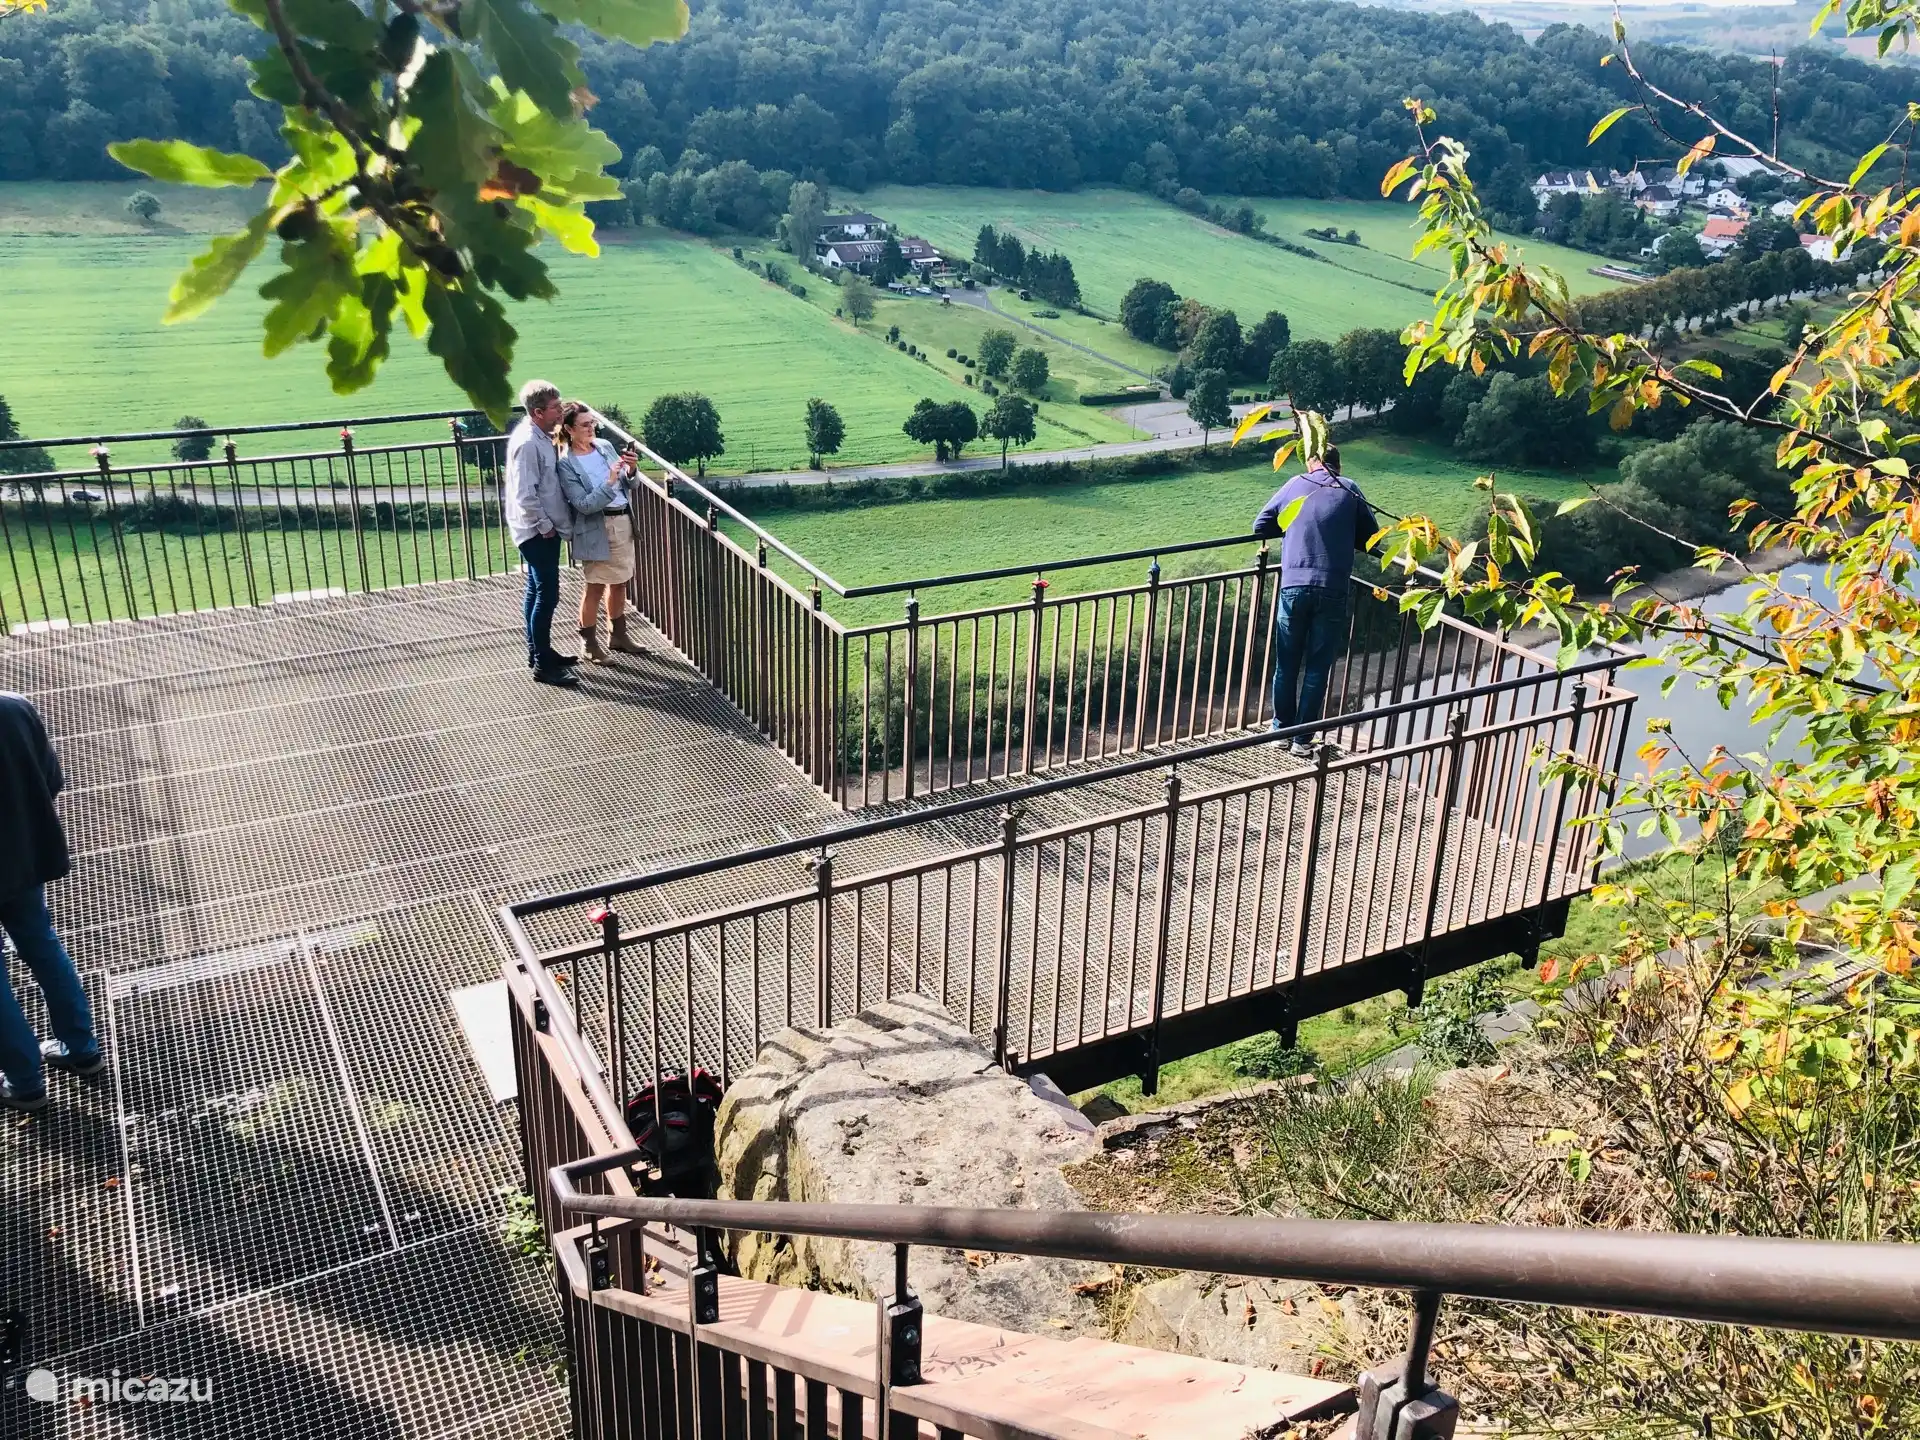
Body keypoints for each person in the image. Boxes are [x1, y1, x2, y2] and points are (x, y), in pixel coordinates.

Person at [0, 692, 103, 1112]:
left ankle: (25, 1083)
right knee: (42, 945)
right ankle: (81, 1048)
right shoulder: (12, 707)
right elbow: (51, 779)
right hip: (22, 861)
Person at [1252, 444, 1376, 757]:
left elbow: (1260, 525)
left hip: (1293, 585)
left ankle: (1281, 730)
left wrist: (1293, 528)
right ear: (1339, 466)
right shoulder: (1349, 488)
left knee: (1287, 662)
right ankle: (1302, 740)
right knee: (1318, 667)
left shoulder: (1295, 484)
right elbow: (1371, 538)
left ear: (1311, 463)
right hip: (1332, 587)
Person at [555, 401, 648, 664]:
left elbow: (631, 485)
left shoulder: (604, 446)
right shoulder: (566, 464)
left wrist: (631, 470)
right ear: (569, 429)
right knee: (595, 585)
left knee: (620, 581)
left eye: (593, 422)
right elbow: (584, 505)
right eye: (585, 424)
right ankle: (589, 644)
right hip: (597, 528)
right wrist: (609, 482)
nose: (591, 428)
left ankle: (618, 635)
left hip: (623, 521)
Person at [504, 379, 579, 687]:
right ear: (537, 412)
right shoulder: (528, 443)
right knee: (548, 595)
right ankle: (543, 665)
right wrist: (546, 526)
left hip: (538, 527)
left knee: (536, 590)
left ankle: (538, 652)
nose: (560, 411)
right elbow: (525, 495)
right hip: (537, 531)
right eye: (555, 407)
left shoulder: (537, 434)